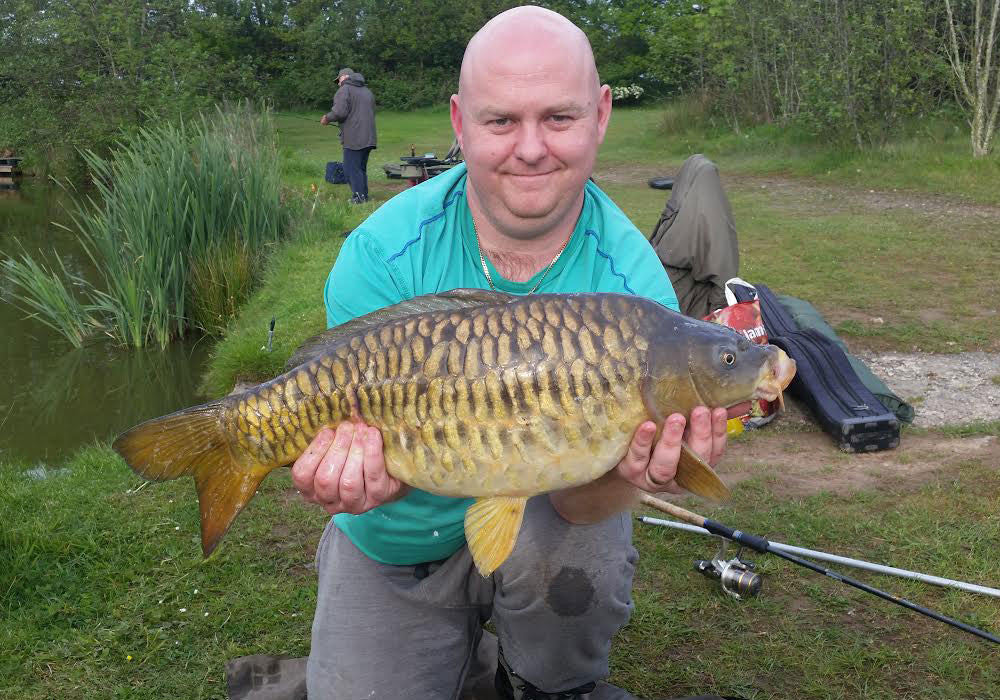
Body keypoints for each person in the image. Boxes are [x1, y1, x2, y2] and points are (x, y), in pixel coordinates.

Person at [293, 7, 746, 699]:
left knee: (581, 552)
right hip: (397, 532)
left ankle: (547, 679)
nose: (530, 148)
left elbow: (590, 507)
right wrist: (355, 476)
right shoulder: (380, 255)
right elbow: (350, 449)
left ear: (599, 115)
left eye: (558, 119)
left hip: (549, 520)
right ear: (459, 122)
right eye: (501, 120)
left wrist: (637, 473)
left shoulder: (635, 293)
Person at [321, 68, 377, 203]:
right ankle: (363, 196)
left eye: (338, 80)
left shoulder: (345, 90)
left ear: (345, 77)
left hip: (354, 137)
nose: (338, 83)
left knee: (351, 168)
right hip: (369, 136)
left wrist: (327, 118)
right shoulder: (366, 91)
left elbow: (339, 112)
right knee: (360, 168)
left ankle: (358, 198)